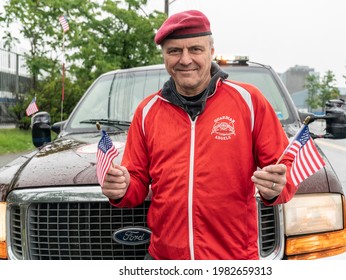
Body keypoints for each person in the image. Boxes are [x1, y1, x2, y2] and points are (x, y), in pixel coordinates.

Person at [101, 10, 297, 260]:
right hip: (164, 259)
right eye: (174, 51)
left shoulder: (249, 100)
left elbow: (285, 166)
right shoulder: (147, 111)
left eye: (195, 49)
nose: (185, 60)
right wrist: (122, 188)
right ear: (164, 55)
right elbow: (137, 181)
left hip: (233, 260)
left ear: (211, 51)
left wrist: (275, 187)